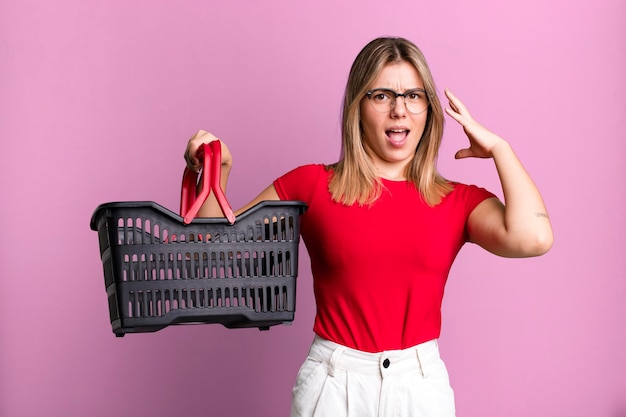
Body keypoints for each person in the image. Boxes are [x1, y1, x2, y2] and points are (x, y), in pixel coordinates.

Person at [184, 37, 553, 417]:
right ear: (358, 106)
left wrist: (500, 149)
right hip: (333, 386)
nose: (399, 110)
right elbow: (218, 251)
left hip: (420, 389)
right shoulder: (311, 184)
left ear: (428, 109)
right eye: (381, 96)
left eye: (413, 95)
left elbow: (535, 237)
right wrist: (218, 171)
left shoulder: (457, 200)